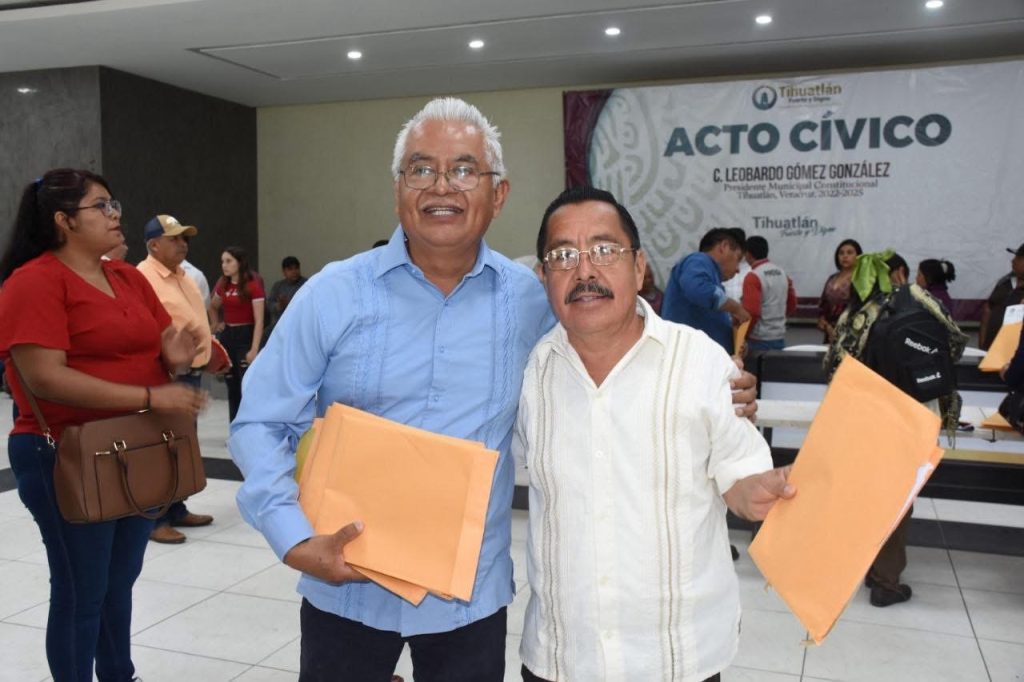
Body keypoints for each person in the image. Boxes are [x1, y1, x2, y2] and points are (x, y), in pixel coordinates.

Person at [228, 98, 759, 682]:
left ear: (498, 194)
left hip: (467, 602)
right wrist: (292, 538)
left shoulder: (534, 301)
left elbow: (612, 343)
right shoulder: (333, 294)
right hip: (344, 583)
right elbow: (260, 422)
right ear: (398, 188)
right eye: (421, 168)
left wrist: (716, 384)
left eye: (464, 169)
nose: (441, 186)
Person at [515, 187, 794, 682]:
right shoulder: (530, 373)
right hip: (561, 655)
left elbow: (740, 478)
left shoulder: (701, 362)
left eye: (604, 250)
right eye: (563, 256)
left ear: (639, 266)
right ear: (544, 276)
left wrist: (762, 491)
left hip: (675, 659)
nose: (585, 272)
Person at [0, 168, 205, 682]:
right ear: (63, 220)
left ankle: (119, 673)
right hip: (66, 453)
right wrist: (150, 396)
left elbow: (160, 346)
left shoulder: (126, 277)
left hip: (132, 448)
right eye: (102, 206)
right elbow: (46, 378)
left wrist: (176, 354)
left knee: (119, 581)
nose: (116, 215)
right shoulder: (34, 282)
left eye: (115, 205)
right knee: (80, 591)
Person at [824, 251, 966, 608]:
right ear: (899, 273)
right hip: (914, 414)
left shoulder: (855, 312)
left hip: (862, 415)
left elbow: (833, 365)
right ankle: (886, 581)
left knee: (868, 493)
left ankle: (868, 567)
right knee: (899, 496)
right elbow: (954, 344)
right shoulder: (920, 299)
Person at [137, 214, 216, 544]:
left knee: (182, 445)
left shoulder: (184, 276)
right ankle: (156, 519)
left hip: (191, 372)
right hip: (165, 377)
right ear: (154, 244)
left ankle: (177, 507)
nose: (183, 244)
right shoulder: (143, 278)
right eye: (174, 239)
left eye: (185, 238)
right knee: (162, 448)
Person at [661, 228, 750, 354]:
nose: (738, 270)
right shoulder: (699, 259)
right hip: (689, 357)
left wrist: (735, 342)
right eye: (738, 258)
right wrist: (736, 308)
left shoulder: (716, 289)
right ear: (724, 246)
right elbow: (697, 289)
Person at [209, 246, 265, 421]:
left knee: (246, 385)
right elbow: (213, 306)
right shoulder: (223, 284)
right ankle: (234, 427)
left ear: (239, 263)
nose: (224, 265)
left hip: (245, 336)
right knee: (231, 386)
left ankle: (249, 425)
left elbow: (259, 320)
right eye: (222, 262)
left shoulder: (252, 285)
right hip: (228, 336)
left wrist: (254, 349)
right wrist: (216, 323)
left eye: (228, 261)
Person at [741, 235, 797, 353]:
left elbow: (752, 312)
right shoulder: (782, 273)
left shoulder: (753, 276)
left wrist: (743, 335)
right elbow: (792, 304)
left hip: (758, 340)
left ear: (748, 254)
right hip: (779, 337)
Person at [817, 238, 863, 343]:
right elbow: (823, 305)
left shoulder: (860, 280)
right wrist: (824, 323)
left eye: (849, 253)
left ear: (858, 256)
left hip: (850, 334)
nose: (845, 256)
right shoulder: (832, 278)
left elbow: (861, 309)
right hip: (829, 332)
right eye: (841, 253)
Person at [978, 244, 1024, 350]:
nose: (1013, 261)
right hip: (992, 351)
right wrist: (982, 344)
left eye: (1018, 258)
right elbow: (988, 309)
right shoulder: (1005, 281)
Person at [267, 255, 307, 328]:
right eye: (290, 269)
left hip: (300, 324)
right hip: (280, 325)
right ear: (284, 271)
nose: (294, 272)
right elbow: (269, 305)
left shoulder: (306, 284)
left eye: (296, 268)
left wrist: (289, 305)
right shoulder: (278, 286)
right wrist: (279, 306)